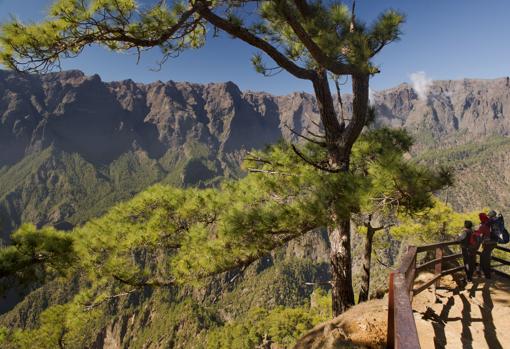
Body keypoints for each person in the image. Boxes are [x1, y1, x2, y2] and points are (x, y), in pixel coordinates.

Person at [478, 211, 497, 279]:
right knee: (484, 257)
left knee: (484, 259)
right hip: (493, 243)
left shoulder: (487, 223)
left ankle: (487, 275)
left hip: (488, 244)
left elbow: (479, 234)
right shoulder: (493, 222)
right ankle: (485, 273)